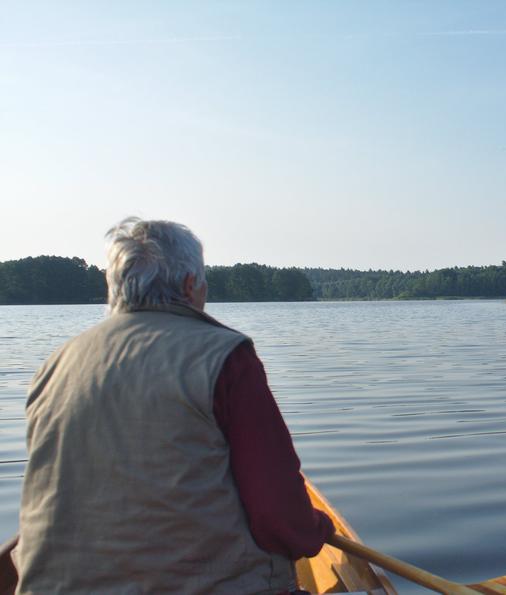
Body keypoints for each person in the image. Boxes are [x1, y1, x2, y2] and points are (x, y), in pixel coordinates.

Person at [15, 218, 334, 593]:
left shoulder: (57, 362)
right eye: (203, 282)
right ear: (189, 285)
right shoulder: (226, 357)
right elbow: (278, 516)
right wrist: (314, 531)